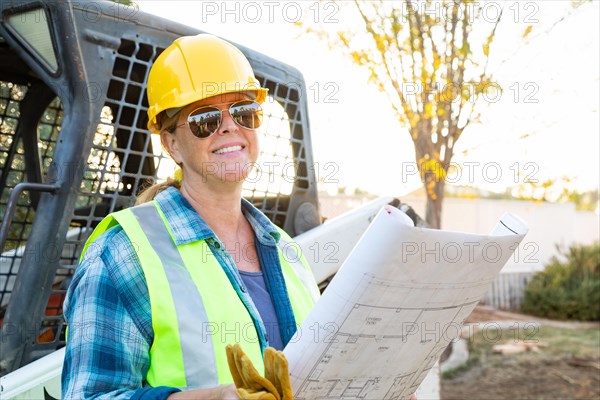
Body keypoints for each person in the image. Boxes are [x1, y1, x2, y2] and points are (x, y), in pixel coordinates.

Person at [62, 34, 320, 399]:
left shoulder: (287, 252)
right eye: (205, 119)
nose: (230, 127)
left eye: (244, 112)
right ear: (172, 144)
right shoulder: (122, 254)